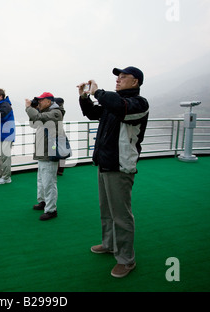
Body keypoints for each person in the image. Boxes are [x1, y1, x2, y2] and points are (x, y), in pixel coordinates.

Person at [78, 66, 149, 278]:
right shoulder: (114, 104)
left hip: (120, 165)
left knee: (121, 215)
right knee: (107, 210)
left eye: (123, 77)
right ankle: (109, 244)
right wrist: (84, 97)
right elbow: (93, 113)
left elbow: (120, 107)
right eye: (117, 77)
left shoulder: (138, 104)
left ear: (135, 82)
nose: (118, 80)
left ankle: (126, 260)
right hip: (106, 163)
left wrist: (98, 93)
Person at [25, 92, 66, 221]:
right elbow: (33, 124)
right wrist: (35, 109)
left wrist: (29, 108)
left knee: (49, 182)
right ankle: (43, 202)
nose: (39, 103)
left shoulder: (56, 113)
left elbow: (37, 118)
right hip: (43, 152)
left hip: (50, 152)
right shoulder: (45, 112)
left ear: (48, 101)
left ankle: (51, 210)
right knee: (41, 180)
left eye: (41, 101)